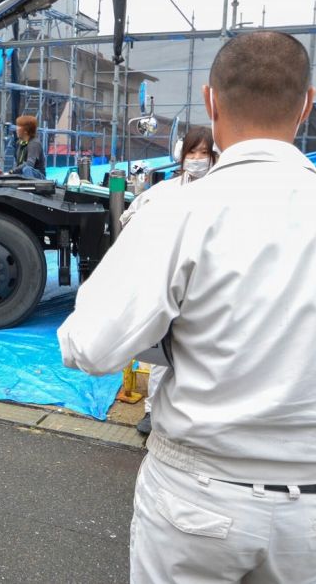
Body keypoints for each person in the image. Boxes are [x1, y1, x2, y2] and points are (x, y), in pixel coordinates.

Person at [57, 31, 316, 584]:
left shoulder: (177, 212)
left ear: (210, 101)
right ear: (307, 103)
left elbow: (90, 346)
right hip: (312, 507)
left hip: (197, 494)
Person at [117, 126, 218, 436]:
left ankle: (197, 416)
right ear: (182, 155)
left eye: (204, 153)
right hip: (169, 285)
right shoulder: (165, 191)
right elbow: (129, 219)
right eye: (193, 152)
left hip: (209, 289)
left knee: (204, 353)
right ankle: (153, 411)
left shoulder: (225, 193)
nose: (198, 159)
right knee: (163, 353)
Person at [9, 115, 46, 179]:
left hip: (38, 177)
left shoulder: (34, 143)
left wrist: (13, 171)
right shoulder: (19, 143)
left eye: (19, 126)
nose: (16, 129)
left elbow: (29, 164)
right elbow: (18, 164)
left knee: (27, 169)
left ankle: (30, 186)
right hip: (23, 174)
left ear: (26, 130)